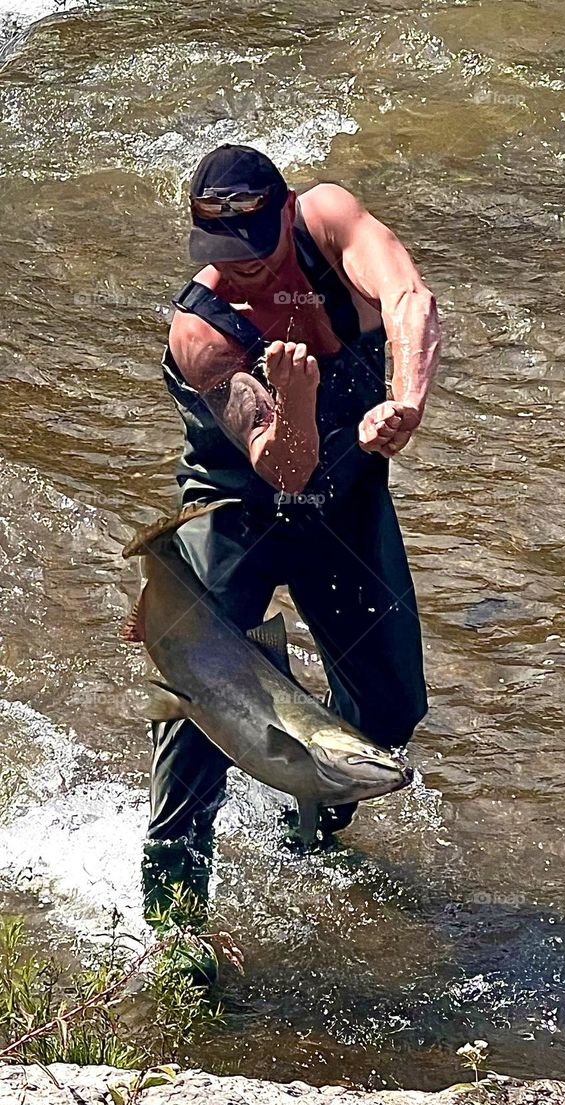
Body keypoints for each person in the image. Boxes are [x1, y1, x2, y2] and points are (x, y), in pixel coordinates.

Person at [141, 142, 441, 946]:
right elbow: (282, 465)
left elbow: (410, 299)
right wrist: (297, 401)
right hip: (237, 507)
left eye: (250, 248)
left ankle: (309, 819)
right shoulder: (198, 333)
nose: (233, 269)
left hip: (341, 506)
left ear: (285, 212)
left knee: (388, 707)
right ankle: (174, 919)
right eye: (215, 253)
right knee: (200, 703)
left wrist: (404, 402)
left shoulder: (329, 220)